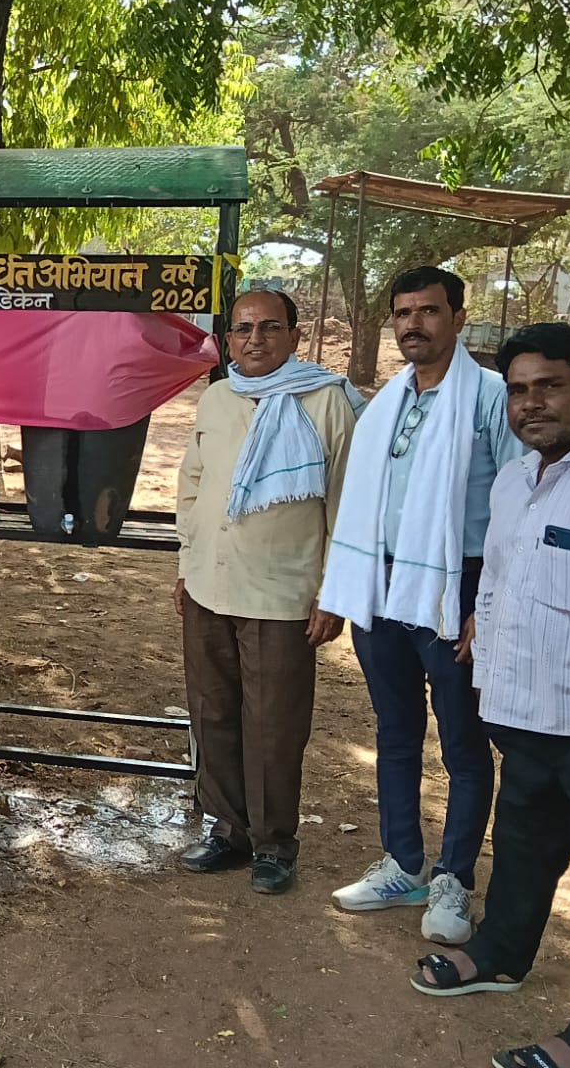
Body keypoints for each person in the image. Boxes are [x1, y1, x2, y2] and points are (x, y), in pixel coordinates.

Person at [411, 324, 570, 1068]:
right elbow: (502, 579)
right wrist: (488, 657)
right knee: (520, 850)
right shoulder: (515, 480)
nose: (531, 403)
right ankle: (501, 954)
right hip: (524, 716)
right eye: (518, 390)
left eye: (551, 386)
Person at [320, 265, 521, 944]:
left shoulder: (489, 398)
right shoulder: (388, 400)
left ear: (458, 318)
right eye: (404, 313)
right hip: (382, 583)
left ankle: (453, 879)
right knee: (396, 730)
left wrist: (487, 604)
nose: (414, 324)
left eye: (429, 311)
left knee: (463, 741)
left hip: (458, 584)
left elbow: (518, 505)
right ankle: (402, 864)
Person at [174, 289, 361, 895]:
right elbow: (192, 485)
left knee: (274, 726)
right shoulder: (218, 397)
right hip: (209, 584)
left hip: (282, 595)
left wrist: (333, 592)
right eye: (243, 328)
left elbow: (347, 505)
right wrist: (186, 564)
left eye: (270, 327)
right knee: (212, 713)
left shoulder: (326, 402)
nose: (255, 339)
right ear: (228, 338)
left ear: (294, 337)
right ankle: (228, 829)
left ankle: (274, 844)